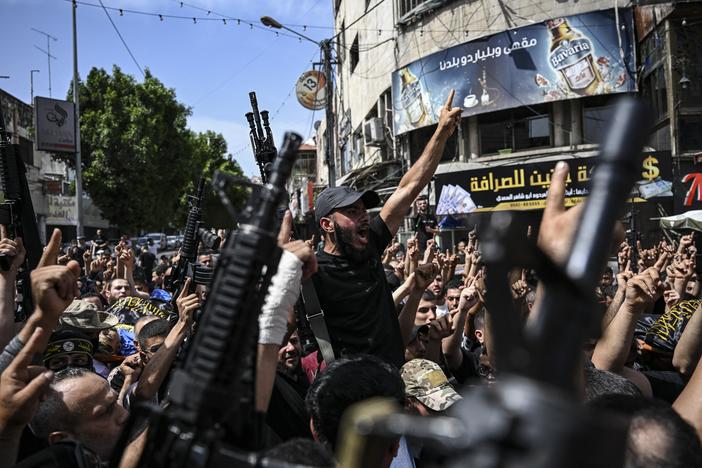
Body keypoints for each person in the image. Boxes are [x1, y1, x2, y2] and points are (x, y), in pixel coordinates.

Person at [311, 90, 461, 367]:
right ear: (326, 224)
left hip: (391, 380)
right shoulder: (312, 273)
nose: (364, 217)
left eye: (363, 210)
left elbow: (408, 187)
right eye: (351, 212)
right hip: (349, 394)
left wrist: (441, 132)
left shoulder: (370, 245)